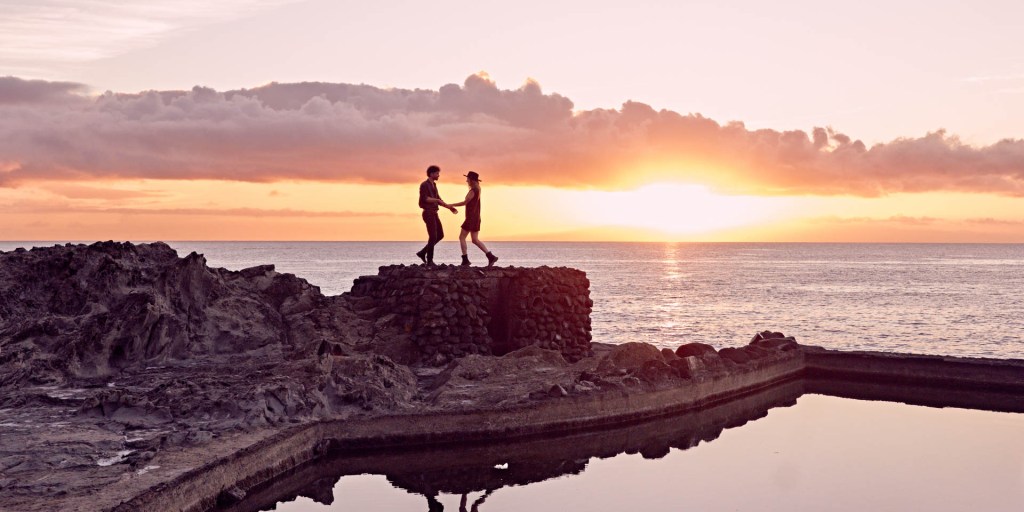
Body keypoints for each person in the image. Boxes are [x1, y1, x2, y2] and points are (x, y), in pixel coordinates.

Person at [449, 171, 498, 267]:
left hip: (471, 218)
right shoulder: (478, 189)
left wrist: (451, 204)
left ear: (471, 180)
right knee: (475, 239)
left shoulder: (473, 190)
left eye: (467, 179)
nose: (466, 181)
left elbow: (464, 202)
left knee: (462, 237)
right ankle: (491, 256)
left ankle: (465, 260)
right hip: (476, 217)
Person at [416, 165, 457, 265]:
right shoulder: (424, 185)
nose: (439, 175)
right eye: (437, 173)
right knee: (433, 236)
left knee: (440, 235)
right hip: (428, 213)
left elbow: (439, 199)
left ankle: (422, 253)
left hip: (434, 213)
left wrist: (449, 207)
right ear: (431, 174)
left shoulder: (434, 185)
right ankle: (429, 261)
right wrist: (437, 200)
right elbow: (425, 199)